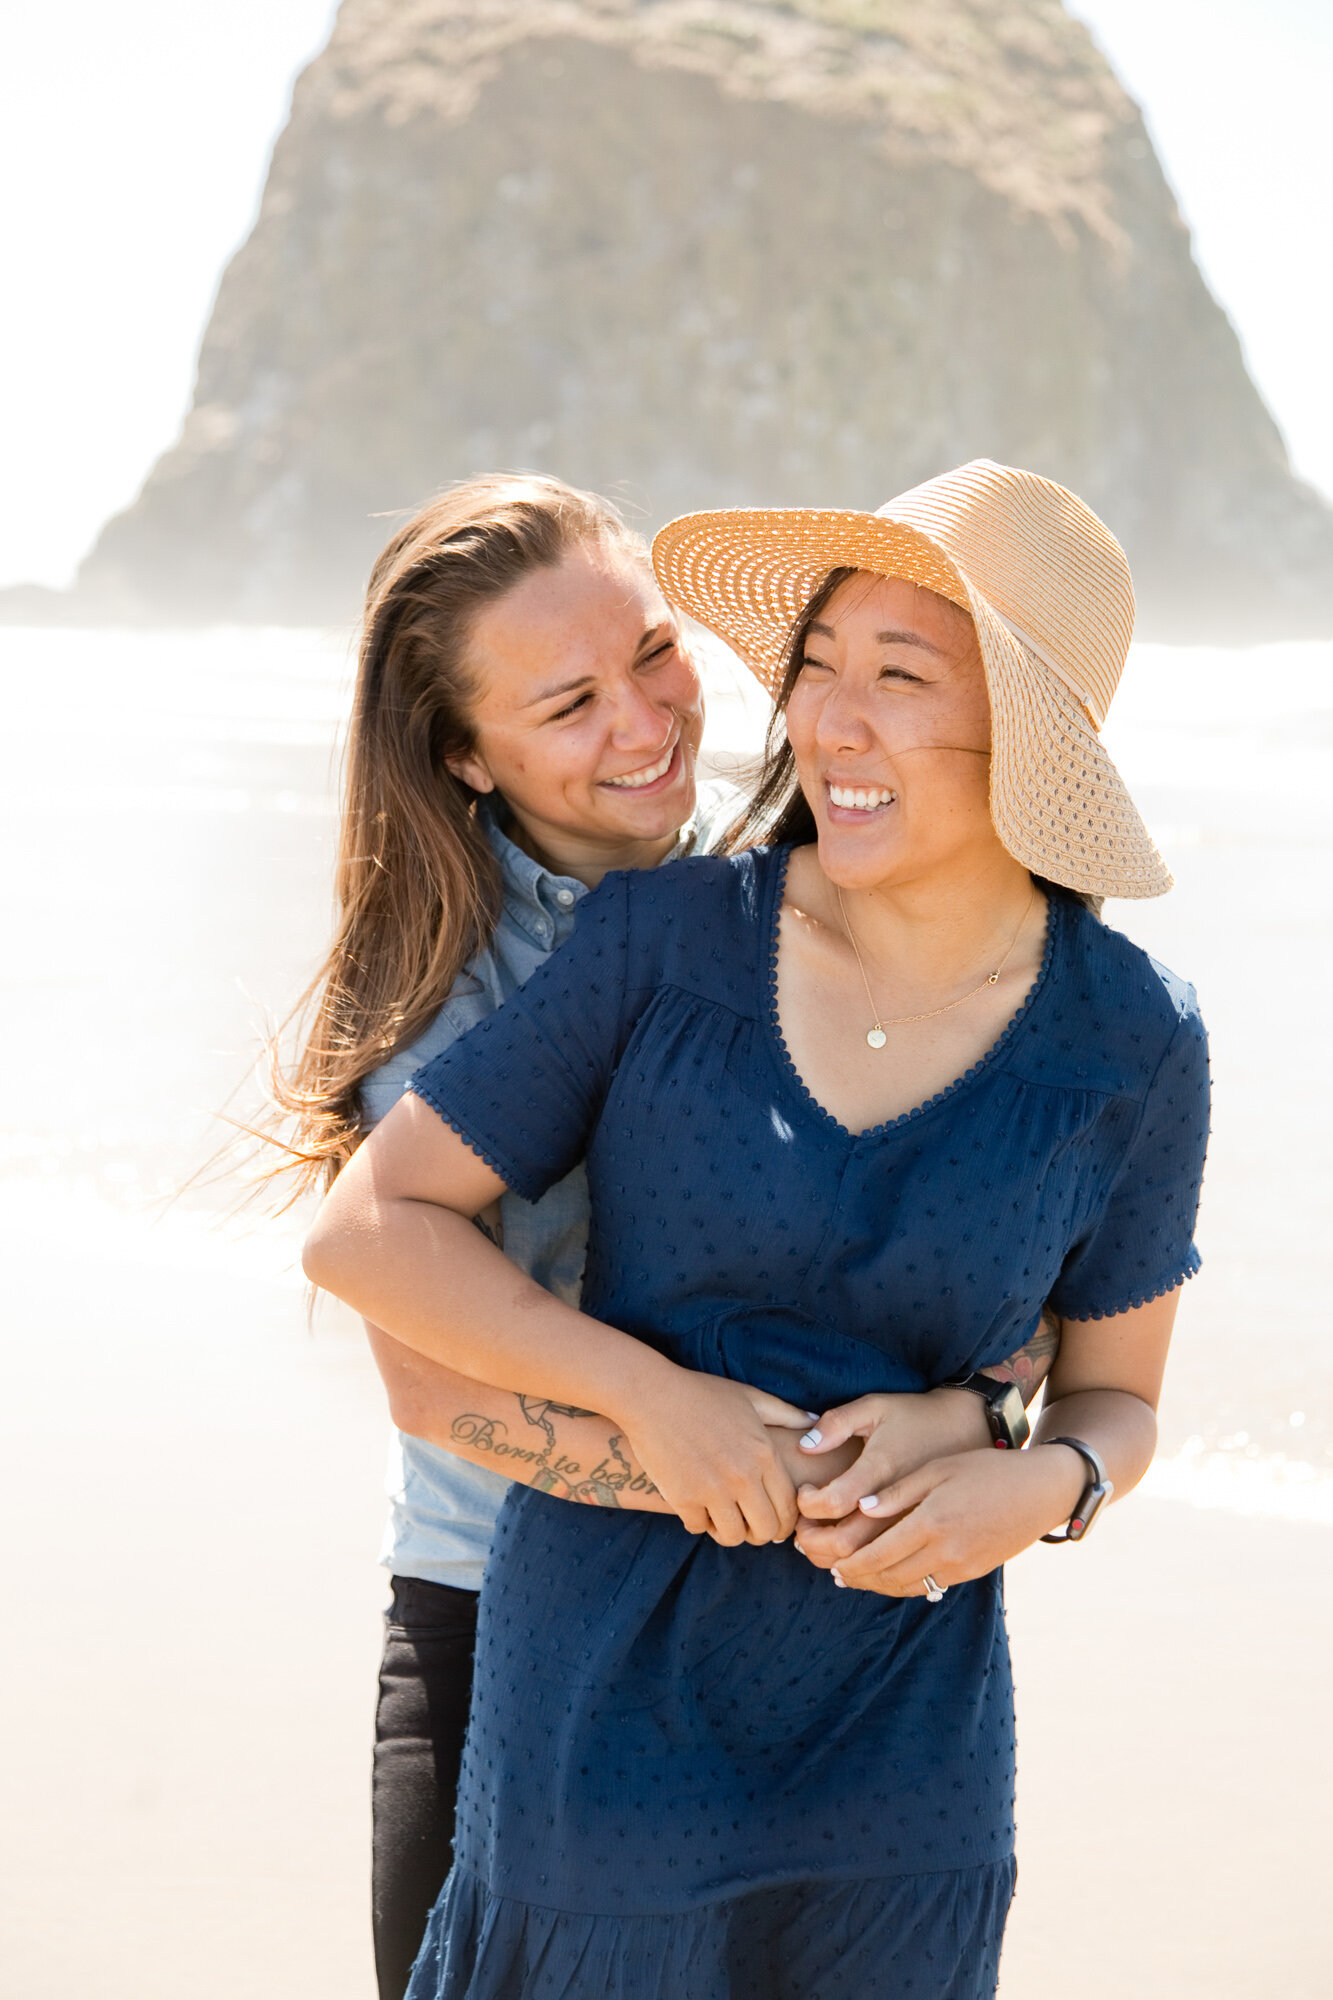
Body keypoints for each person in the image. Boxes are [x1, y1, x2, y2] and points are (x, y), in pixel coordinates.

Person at [303, 459, 1210, 1998]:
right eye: (817, 666)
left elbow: (1099, 1379)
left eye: (654, 658)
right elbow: (407, 1327)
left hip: (897, 1735)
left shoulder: (1121, 1034)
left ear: (1026, 740)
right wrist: (678, 1414)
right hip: (552, 1652)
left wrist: (1027, 1466)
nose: (654, 723)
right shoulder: (633, 955)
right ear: (470, 757)